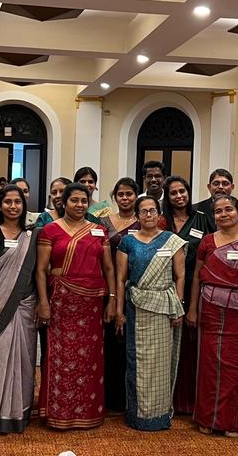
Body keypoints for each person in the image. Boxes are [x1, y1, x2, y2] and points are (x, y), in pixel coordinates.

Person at [186, 195, 238, 437]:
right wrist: (192, 308)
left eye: (228, 210)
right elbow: (197, 277)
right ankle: (207, 418)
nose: (224, 214)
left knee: (235, 366)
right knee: (209, 365)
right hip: (209, 308)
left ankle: (230, 421)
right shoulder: (208, 241)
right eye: (218, 211)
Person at [36, 182, 118, 430]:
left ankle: (87, 412)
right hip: (61, 301)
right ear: (64, 202)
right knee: (60, 358)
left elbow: (109, 268)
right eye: (75, 200)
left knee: (89, 359)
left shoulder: (98, 230)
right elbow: (41, 270)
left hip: (91, 304)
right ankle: (58, 414)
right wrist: (43, 303)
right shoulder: (50, 230)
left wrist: (112, 300)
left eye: (84, 200)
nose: (80, 205)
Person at [116, 196, 187, 431]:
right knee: (136, 362)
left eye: (152, 211)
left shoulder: (171, 241)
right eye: (143, 212)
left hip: (164, 310)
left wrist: (178, 308)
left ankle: (158, 414)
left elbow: (180, 277)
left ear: (159, 215)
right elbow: (120, 279)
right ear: (136, 216)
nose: (148, 215)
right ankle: (137, 415)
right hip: (136, 306)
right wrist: (118, 311)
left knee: (160, 363)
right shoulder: (128, 241)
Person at [0, 185, 39, 434]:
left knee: (24, 359)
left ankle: (18, 413)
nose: (13, 206)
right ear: (0, 204)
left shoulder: (32, 234)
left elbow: (36, 273)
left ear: (24, 205)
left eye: (18, 202)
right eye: (8, 202)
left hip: (25, 305)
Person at [159, 175, 216, 414]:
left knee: (191, 347)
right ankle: (166, 399)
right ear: (167, 197)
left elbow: (214, 250)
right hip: (164, 289)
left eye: (183, 191)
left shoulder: (203, 219)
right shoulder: (162, 221)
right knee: (167, 346)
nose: (179, 196)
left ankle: (189, 402)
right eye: (174, 193)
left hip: (195, 288)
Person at [100, 177, 141, 413]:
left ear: (136, 196)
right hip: (109, 289)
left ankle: (129, 399)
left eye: (129, 194)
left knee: (131, 343)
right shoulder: (103, 222)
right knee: (109, 343)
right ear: (115, 197)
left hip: (135, 290)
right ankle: (110, 398)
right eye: (121, 194)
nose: (125, 198)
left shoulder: (145, 221)